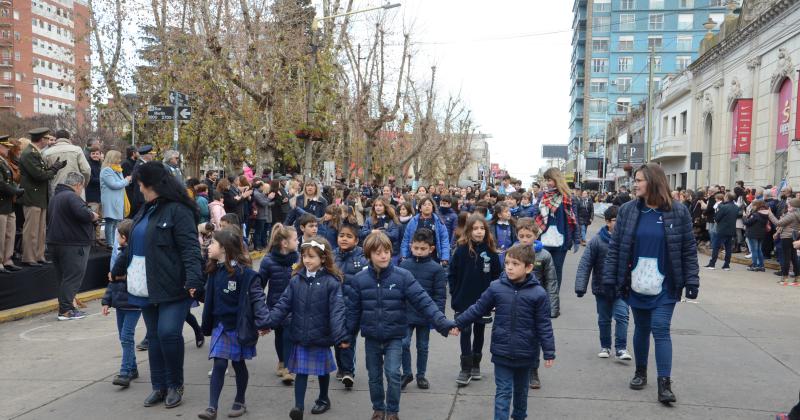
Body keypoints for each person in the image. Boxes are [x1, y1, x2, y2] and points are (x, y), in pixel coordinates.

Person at [602, 163, 699, 404]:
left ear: (654, 182)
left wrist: (692, 279)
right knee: (642, 328)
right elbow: (616, 248)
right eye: (635, 180)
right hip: (636, 283)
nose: (635, 184)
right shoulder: (627, 210)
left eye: (640, 180)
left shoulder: (678, 211)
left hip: (667, 284)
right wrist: (610, 278)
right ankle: (640, 372)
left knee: (660, 327)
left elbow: (688, 248)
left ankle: (664, 383)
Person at [347, 231, 457, 420]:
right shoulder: (359, 280)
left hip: (395, 336)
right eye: (378, 252)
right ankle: (378, 409)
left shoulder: (403, 276)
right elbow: (352, 312)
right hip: (372, 337)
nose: (383, 256)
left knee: (392, 373)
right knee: (374, 378)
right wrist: (345, 337)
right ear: (368, 255)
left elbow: (424, 301)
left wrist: (443, 323)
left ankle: (393, 411)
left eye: (387, 251)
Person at [123, 161, 204, 409]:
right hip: (146, 285)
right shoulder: (145, 209)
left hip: (173, 285)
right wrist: (116, 270)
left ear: (151, 185)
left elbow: (191, 249)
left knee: (169, 333)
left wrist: (193, 280)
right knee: (155, 336)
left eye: (140, 184)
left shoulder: (178, 210)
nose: (138, 189)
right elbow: (133, 246)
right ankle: (158, 386)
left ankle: (175, 385)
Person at [454, 244, 555, 420]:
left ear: (529, 267)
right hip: (502, 351)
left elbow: (543, 324)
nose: (509, 267)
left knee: (521, 393)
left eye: (515, 263)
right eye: (507, 262)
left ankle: (519, 416)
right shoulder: (496, 287)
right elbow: (477, 309)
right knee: (503, 392)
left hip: (526, 353)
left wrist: (549, 351)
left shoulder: (538, 293)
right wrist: (458, 323)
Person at [261, 236, 348, 419]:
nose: (307, 260)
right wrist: (268, 322)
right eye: (304, 256)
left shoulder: (331, 282)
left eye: (312, 257)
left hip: (321, 334)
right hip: (300, 333)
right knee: (301, 372)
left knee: (322, 371)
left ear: (323, 258)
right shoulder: (296, 280)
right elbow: (283, 304)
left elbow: (337, 311)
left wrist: (341, 336)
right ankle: (298, 407)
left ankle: (323, 398)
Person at [197, 228, 269, 420]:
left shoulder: (244, 274)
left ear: (224, 248)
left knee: (238, 364)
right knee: (219, 363)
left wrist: (263, 322)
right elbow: (210, 296)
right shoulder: (214, 271)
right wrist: (195, 292)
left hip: (238, 326)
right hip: (220, 325)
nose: (208, 246)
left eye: (212, 243)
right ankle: (212, 407)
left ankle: (240, 400)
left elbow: (257, 299)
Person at [449, 214, 502, 387]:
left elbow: (496, 275)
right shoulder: (461, 250)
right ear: (469, 230)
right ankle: (465, 367)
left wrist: (493, 299)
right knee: (464, 332)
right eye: (475, 228)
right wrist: (455, 295)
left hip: (483, 300)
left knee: (479, 332)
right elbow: (452, 275)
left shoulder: (491, 251)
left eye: (482, 228)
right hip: (464, 299)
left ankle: (476, 363)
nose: (479, 232)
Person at [575, 205, 631, 362]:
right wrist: (580, 287)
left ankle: (621, 348)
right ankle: (605, 346)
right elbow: (585, 264)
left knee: (622, 316)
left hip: (622, 288)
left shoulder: (628, 241)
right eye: (616, 221)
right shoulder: (597, 241)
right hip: (602, 288)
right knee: (604, 319)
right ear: (607, 222)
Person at [47, 172, 99, 320]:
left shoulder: (56, 197)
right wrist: (93, 215)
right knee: (72, 276)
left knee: (63, 277)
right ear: (78, 185)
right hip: (73, 243)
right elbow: (83, 213)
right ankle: (65, 310)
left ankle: (68, 306)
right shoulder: (71, 197)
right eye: (81, 187)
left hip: (55, 242)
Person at [399, 228, 446, 390]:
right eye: (416, 248)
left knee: (423, 346)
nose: (418, 252)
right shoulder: (404, 265)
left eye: (423, 249)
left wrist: (438, 317)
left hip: (425, 314)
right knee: (403, 343)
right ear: (411, 246)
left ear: (431, 249)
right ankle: (406, 373)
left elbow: (440, 295)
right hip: (406, 312)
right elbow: (399, 290)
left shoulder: (437, 269)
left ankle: (421, 375)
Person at [514, 217, 557, 388]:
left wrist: (553, 306)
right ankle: (516, 368)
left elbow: (551, 281)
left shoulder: (544, 255)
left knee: (535, 338)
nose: (525, 240)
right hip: (516, 301)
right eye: (521, 236)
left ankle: (533, 370)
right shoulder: (513, 252)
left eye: (528, 236)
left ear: (536, 235)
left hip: (537, 303)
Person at [535, 168, 580, 318]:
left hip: (561, 240)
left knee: (556, 272)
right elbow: (536, 215)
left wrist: (576, 239)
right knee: (540, 271)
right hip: (543, 239)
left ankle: (552, 304)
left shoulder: (568, 197)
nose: (547, 183)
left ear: (556, 179)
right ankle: (541, 303)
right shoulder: (542, 196)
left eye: (549, 180)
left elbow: (574, 220)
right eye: (546, 180)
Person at [258, 223, 299, 386]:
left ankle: (289, 368)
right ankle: (282, 361)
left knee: (289, 334)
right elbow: (259, 285)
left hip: (293, 305)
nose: (298, 242)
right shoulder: (268, 261)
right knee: (279, 334)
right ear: (284, 243)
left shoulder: (297, 259)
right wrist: (259, 307)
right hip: (275, 305)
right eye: (295, 239)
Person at [101, 219, 140, 388]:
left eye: (117, 234)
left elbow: (117, 275)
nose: (116, 237)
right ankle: (132, 367)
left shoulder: (132, 254)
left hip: (133, 302)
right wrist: (106, 300)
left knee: (126, 336)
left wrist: (119, 276)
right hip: (120, 302)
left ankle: (125, 373)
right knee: (123, 337)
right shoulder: (120, 253)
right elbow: (112, 280)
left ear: (123, 237)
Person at [20, 127, 66, 266]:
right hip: (32, 196)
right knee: (31, 230)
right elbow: (39, 175)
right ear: (41, 139)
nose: (49, 140)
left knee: (41, 230)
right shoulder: (29, 153)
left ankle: (39, 256)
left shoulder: (36, 152)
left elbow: (42, 172)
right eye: (47, 138)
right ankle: (29, 257)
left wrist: (53, 168)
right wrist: (54, 169)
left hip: (40, 196)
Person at [333, 221, 368, 389]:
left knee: (348, 339)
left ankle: (348, 371)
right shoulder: (331, 257)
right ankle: (341, 367)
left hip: (354, 307)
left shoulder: (362, 259)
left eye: (349, 236)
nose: (344, 239)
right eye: (341, 236)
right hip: (334, 306)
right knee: (337, 339)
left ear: (356, 240)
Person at [400, 196, 451, 265]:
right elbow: (406, 239)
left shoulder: (438, 221)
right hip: (415, 255)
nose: (427, 206)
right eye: (424, 205)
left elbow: (444, 240)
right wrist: (404, 255)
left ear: (432, 207)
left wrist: (445, 257)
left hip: (433, 256)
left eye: (429, 204)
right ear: (420, 208)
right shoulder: (413, 221)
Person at [42, 129, 91, 197]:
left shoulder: (47, 153)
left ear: (56, 138)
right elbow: (86, 170)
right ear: (69, 138)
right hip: (75, 188)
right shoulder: (77, 150)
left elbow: (44, 173)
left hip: (55, 189)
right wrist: (83, 185)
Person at [0, 135, 23, 273]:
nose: (8, 150)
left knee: (10, 232)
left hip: (8, 203)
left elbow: (10, 180)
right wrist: (15, 190)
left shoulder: (4, 162)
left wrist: (15, 189)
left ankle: (7, 259)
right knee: (1, 234)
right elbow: (1, 183)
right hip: (2, 203)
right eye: (5, 147)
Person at [100, 150, 132, 247]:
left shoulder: (117, 169)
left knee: (116, 222)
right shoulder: (106, 170)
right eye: (118, 158)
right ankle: (110, 243)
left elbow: (120, 183)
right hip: (110, 201)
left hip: (117, 200)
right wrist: (126, 180)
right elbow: (113, 185)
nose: (120, 160)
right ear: (113, 158)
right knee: (110, 222)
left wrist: (127, 181)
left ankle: (114, 242)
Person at [768, 198, 800, 285]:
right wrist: (778, 232)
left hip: (787, 237)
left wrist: (770, 214)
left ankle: (784, 278)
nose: (788, 205)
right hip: (793, 237)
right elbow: (784, 225)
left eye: (790, 204)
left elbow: (778, 223)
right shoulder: (795, 214)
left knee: (786, 258)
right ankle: (797, 278)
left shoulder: (792, 215)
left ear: (794, 206)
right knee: (794, 258)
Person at [704, 192, 738, 271]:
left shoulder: (723, 207)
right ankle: (726, 265)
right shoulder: (736, 207)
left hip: (721, 230)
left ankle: (712, 264)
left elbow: (716, 218)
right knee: (728, 248)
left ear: (727, 198)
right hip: (731, 229)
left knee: (716, 247)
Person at [743, 200, 769, 272]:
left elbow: (747, 222)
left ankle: (754, 265)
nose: (752, 206)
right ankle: (761, 266)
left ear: (757, 206)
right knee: (759, 250)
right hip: (761, 234)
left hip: (753, 234)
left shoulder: (755, 214)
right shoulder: (766, 213)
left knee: (754, 250)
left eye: (753, 205)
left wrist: (744, 216)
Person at [86, 146, 104, 243]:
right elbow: (91, 180)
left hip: (100, 196)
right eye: (93, 154)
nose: (95, 155)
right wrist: (103, 180)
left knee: (99, 218)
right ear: (90, 155)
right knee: (92, 217)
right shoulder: (89, 165)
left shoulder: (101, 165)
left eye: (97, 153)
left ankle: (97, 238)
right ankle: (90, 238)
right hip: (91, 196)